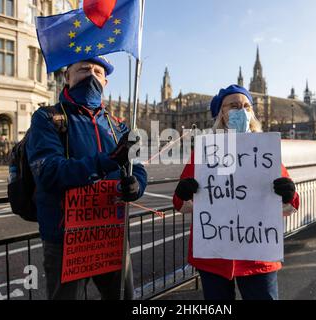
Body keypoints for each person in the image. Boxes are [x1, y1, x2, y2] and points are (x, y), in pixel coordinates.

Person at [26, 55, 147, 300]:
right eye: (83, 69)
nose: (91, 74)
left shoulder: (117, 125)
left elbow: (138, 168)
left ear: (105, 82)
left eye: (98, 71)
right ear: (66, 77)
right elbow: (48, 171)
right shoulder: (47, 118)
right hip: (66, 238)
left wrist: (136, 185)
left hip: (111, 233)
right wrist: (108, 161)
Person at [172, 85, 300, 300]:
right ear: (221, 113)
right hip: (214, 256)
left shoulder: (265, 150)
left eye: (247, 106)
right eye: (234, 105)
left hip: (257, 256)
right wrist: (183, 193)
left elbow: (291, 205)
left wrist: (288, 194)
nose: (242, 110)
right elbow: (180, 203)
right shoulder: (205, 151)